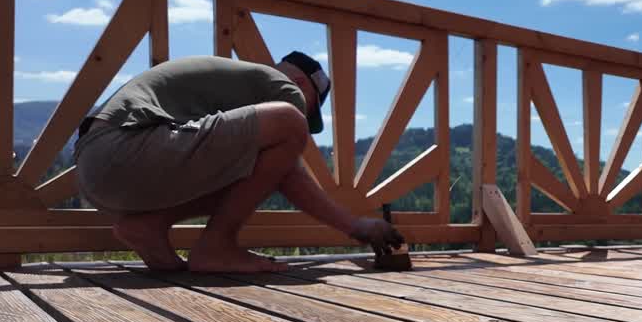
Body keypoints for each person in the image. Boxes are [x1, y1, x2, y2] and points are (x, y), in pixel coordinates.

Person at [75, 52, 404, 272]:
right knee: (289, 124)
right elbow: (292, 176)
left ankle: (148, 225)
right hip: (125, 149)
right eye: (311, 108)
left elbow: (271, 173)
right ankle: (216, 246)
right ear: (303, 85)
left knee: (253, 167)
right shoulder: (284, 89)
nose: (307, 118)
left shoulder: (241, 86)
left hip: (99, 169)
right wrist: (357, 227)